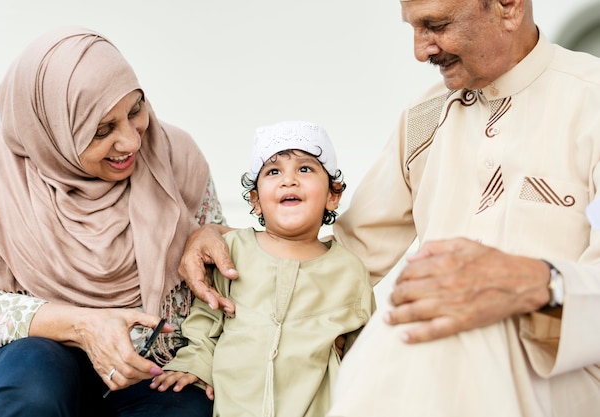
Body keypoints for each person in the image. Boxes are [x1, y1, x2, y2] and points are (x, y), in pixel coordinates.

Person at [179, 0, 600, 416]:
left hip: (564, 370)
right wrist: (231, 241)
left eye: (436, 24)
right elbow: (349, 250)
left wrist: (538, 284)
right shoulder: (425, 117)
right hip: (435, 355)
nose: (421, 50)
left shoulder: (591, 101)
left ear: (508, 6)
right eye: (413, 28)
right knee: (396, 333)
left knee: (449, 330)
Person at [0, 26, 223, 417]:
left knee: (186, 410)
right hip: (40, 348)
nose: (132, 142)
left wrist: (209, 234)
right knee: (32, 393)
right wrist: (84, 325)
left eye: (135, 110)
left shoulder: (176, 155)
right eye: (102, 130)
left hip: (152, 355)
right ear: (51, 131)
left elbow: (218, 270)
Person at [151, 121, 375, 416]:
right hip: (236, 406)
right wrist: (196, 363)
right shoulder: (233, 250)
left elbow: (366, 349)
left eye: (305, 169)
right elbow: (207, 318)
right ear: (255, 200)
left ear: (333, 195)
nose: (289, 180)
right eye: (273, 171)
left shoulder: (348, 270)